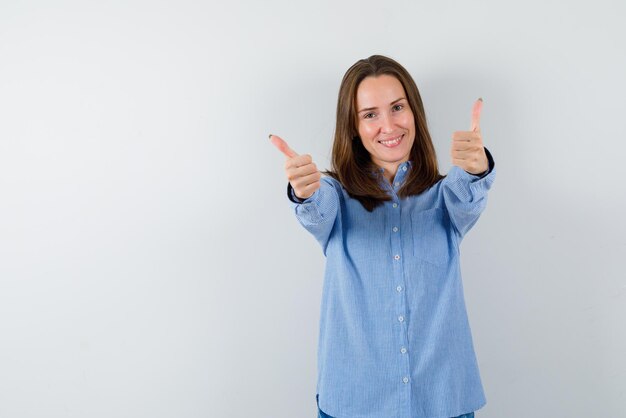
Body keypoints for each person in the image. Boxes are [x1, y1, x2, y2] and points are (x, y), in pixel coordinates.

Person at [270, 54, 495, 418]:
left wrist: (476, 167)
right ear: (354, 127)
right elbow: (315, 208)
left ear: (414, 112)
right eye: (370, 114)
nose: (388, 125)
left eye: (397, 107)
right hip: (354, 403)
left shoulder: (445, 198)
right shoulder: (336, 196)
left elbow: (469, 191)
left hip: (442, 401)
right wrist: (305, 189)